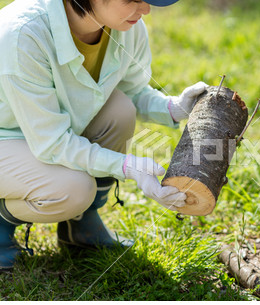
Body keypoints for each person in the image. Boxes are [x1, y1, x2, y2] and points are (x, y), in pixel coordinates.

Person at [0, 0, 208, 270]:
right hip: (7, 137)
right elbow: (52, 142)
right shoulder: (23, 35)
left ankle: (82, 225)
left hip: (45, 133)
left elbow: (133, 92)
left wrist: (174, 108)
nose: (145, 10)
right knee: (73, 189)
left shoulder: (125, 27)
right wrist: (125, 167)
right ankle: (1, 222)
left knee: (119, 109)